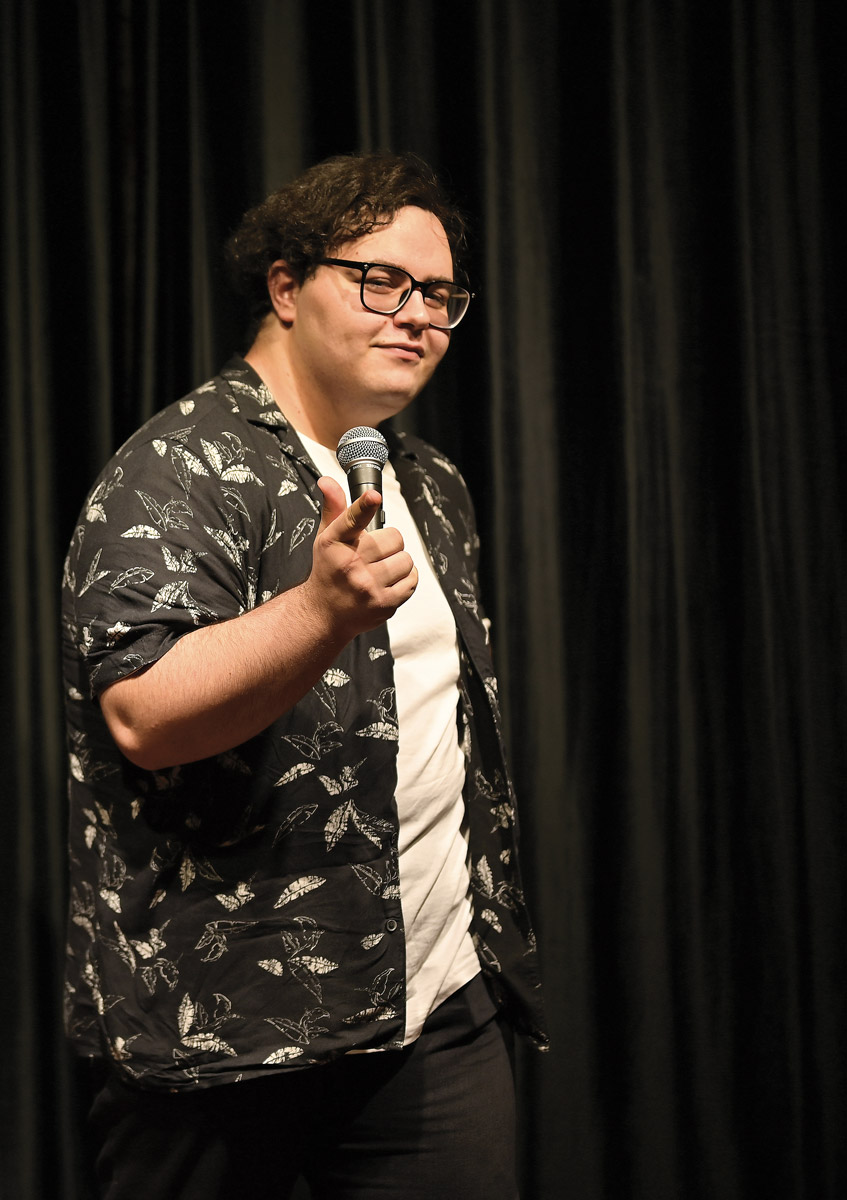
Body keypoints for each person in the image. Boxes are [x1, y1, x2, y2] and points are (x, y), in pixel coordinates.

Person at [62, 151, 547, 1200]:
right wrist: (320, 612)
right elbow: (143, 715)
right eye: (383, 281)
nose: (417, 315)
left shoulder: (429, 481)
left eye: (440, 295)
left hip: (431, 1013)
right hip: (226, 1034)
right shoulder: (180, 465)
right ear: (285, 286)